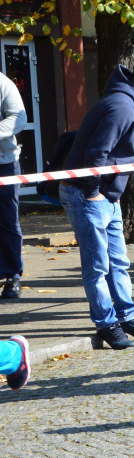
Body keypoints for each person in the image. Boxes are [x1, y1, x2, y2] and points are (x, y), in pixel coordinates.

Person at [60, 53, 134, 349]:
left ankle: (127, 316)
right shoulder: (122, 106)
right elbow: (97, 153)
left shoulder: (133, 102)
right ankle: (106, 323)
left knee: (118, 261)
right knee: (97, 264)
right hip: (88, 193)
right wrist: (94, 190)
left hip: (105, 194)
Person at [0, 70, 27, 299]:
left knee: (7, 221)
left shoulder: (2, 83)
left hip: (4, 164)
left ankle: (12, 276)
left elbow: (19, 118)